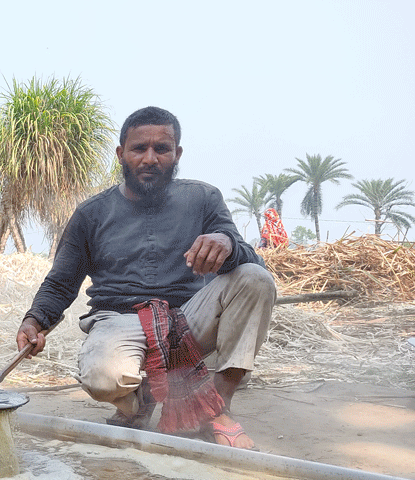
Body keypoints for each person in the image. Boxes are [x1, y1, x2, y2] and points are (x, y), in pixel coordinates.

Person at [17, 106, 276, 449]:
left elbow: (248, 258)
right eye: (139, 148)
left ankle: (216, 406)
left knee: (256, 278)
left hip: (189, 318)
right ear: (121, 154)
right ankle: (139, 401)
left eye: (162, 149)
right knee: (103, 378)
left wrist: (226, 243)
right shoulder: (91, 214)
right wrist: (34, 321)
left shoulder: (203, 198)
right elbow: (61, 281)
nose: (150, 158)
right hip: (118, 318)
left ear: (177, 154)